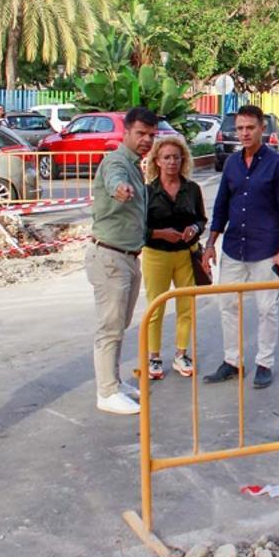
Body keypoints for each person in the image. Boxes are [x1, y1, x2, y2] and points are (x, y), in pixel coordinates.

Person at [202, 105, 279, 389]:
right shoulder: (231, 163)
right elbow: (221, 207)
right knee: (227, 305)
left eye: (250, 128)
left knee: (267, 309)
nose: (244, 133)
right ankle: (232, 361)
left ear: (262, 129)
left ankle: (264, 363)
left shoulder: (278, 165)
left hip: (265, 250)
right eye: (240, 128)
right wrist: (210, 245)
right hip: (233, 248)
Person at [85, 107, 158, 415]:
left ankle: (113, 382)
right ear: (126, 132)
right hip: (110, 256)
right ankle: (106, 392)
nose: (146, 140)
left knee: (120, 325)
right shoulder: (117, 162)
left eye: (151, 136)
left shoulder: (133, 164)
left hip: (127, 256)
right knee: (110, 327)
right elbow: (115, 180)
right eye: (141, 134)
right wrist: (120, 189)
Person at [142, 135, 208, 380]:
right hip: (156, 255)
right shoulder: (147, 192)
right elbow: (138, 228)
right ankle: (154, 357)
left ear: (183, 160)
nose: (171, 162)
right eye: (166, 157)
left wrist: (195, 229)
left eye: (176, 157)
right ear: (157, 161)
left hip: (185, 254)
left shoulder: (192, 189)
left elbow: (202, 219)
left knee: (186, 306)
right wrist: (161, 233)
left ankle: (181, 354)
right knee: (156, 307)